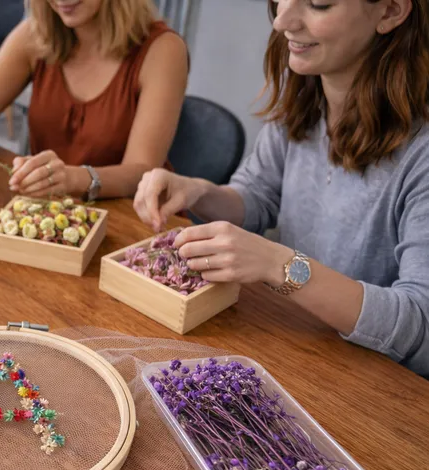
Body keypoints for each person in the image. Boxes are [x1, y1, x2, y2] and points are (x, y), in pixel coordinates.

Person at [133, 0, 429, 377]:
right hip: (292, 345)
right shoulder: (307, 89)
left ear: (390, 12)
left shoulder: (421, 152)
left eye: (318, 4)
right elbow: (258, 197)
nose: (283, 22)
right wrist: (198, 191)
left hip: (375, 386)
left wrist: (279, 265)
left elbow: (420, 328)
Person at [0, 0, 189, 203]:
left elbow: (141, 171)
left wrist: (73, 179)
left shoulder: (164, 49)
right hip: (55, 213)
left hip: (132, 220)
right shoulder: (34, 35)